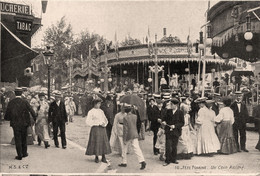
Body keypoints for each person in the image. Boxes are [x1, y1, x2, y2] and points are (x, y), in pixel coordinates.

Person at [4, 88, 37, 160]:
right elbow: (32, 111)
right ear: (21, 93)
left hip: (15, 124)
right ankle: (24, 153)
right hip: (24, 123)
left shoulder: (11, 102)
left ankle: (19, 155)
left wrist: (10, 119)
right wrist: (35, 119)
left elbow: (7, 115)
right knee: (24, 138)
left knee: (17, 138)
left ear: (15, 93)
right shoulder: (25, 102)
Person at [118, 104, 146, 170]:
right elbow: (138, 124)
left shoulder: (125, 118)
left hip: (128, 135)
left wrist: (124, 139)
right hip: (135, 133)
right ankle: (142, 161)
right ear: (131, 110)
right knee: (137, 148)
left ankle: (124, 162)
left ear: (125, 111)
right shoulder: (135, 116)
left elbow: (125, 129)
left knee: (124, 148)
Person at [85, 98, 111, 163]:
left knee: (103, 142)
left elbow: (105, 119)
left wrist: (104, 124)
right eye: (98, 103)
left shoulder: (101, 111)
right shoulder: (91, 112)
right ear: (95, 104)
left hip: (102, 128)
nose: (99, 105)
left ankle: (103, 156)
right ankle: (96, 156)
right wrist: (97, 123)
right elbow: (88, 121)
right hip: (95, 128)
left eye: (100, 104)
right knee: (96, 141)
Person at [161, 98, 184, 166]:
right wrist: (164, 122)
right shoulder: (168, 111)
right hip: (168, 131)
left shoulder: (180, 112)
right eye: (170, 104)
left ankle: (173, 159)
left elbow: (182, 123)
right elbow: (164, 119)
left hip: (176, 132)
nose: (171, 105)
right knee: (168, 146)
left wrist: (175, 126)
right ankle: (167, 160)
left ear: (176, 105)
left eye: (172, 104)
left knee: (174, 146)